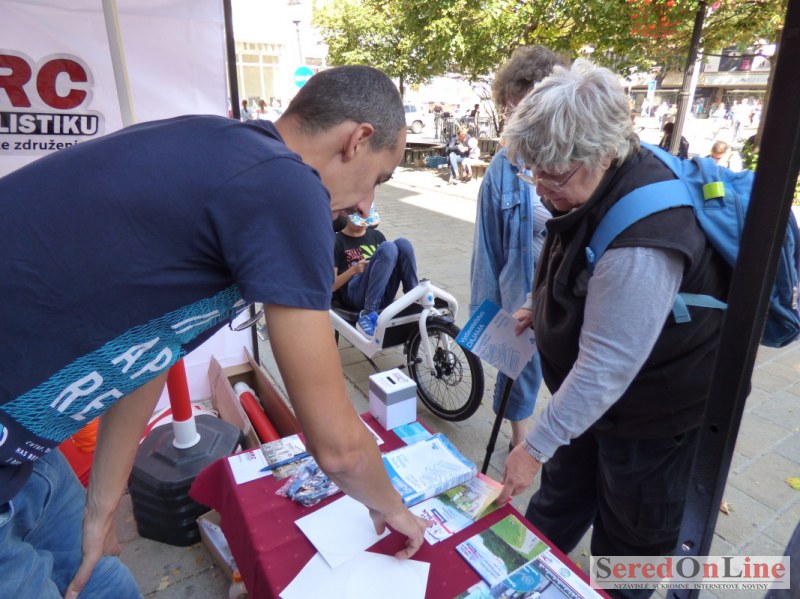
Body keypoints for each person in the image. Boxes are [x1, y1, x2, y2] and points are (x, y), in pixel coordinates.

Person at [0, 65, 430, 599]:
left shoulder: (224, 146)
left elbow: (150, 348)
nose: (366, 206)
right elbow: (339, 446)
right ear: (357, 140)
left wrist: (103, 506)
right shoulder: (288, 185)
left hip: (25, 461)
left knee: (106, 582)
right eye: (379, 179)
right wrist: (393, 508)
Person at [496, 60, 729, 599]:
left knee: (629, 548)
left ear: (603, 152)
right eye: (534, 172)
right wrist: (539, 303)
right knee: (556, 502)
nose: (542, 188)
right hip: (594, 407)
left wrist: (533, 448)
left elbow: (606, 366)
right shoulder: (594, 181)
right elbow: (569, 246)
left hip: (654, 418)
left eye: (554, 176)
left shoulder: (645, 240)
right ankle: (511, 579)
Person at [470, 44, 567, 450]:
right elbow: (487, 247)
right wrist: (485, 320)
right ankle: (519, 441)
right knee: (520, 370)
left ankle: (565, 438)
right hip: (521, 289)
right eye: (512, 109)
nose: (516, 118)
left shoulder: (583, 157)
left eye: (524, 107)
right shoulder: (504, 168)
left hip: (569, 293)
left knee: (569, 371)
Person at [332, 210, 419, 337]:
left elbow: (388, 263)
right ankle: (368, 313)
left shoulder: (377, 236)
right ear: (346, 215)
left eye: (366, 222)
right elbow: (331, 286)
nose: (363, 225)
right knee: (388, 247)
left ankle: (413, 297)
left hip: (381, 293)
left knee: (403, 243)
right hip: (356, 294)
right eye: (359, 222)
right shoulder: (337, 241)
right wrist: (353, 270)